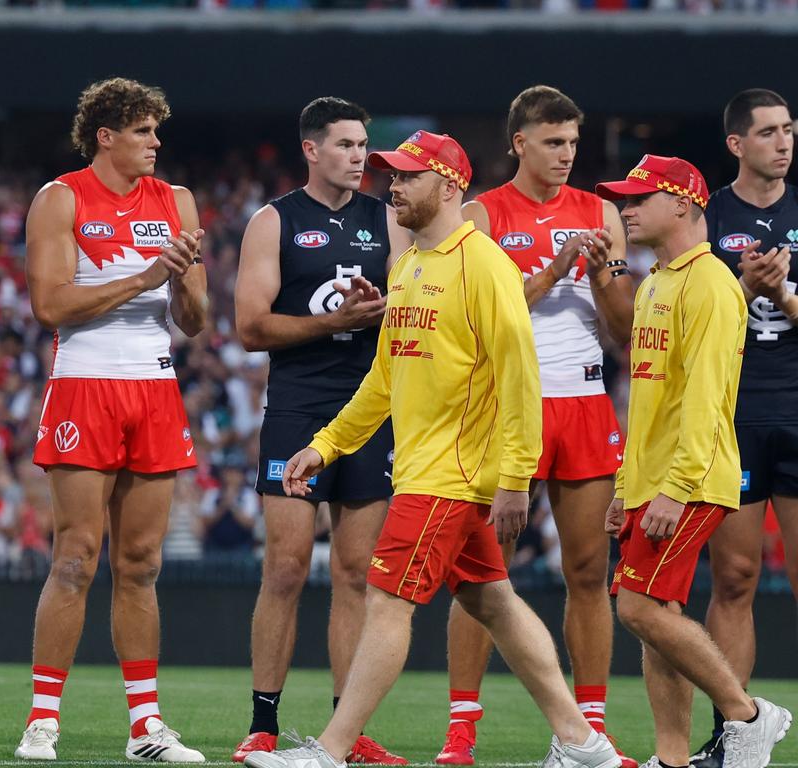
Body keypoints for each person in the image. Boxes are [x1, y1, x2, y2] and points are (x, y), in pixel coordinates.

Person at [245, 130, 620, 768]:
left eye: (408, 176)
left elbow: (520, 379)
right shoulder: (410, 264)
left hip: (450, 475)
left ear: (449, 186)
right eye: (392, 175)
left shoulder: (485, 265)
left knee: (389, 601)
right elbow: (385, 378)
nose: (392, 185)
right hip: (427, 468)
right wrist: (327, 444)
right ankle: (584, 741)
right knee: (493, 599)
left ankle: (331, 749)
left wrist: (515, 477)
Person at [15, 76, 208, 762]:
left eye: (157, 131)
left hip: (154, 387)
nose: (157, 143)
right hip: (86, 385)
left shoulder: (176, 202)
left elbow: (194, 323)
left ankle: (145, 728)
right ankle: (43, 721)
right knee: (74, 559)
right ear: (106, 135)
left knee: (142, 564)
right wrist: (144, 277)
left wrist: (185, 280)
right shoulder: (61, 198)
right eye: (144, 131)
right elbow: (51, 306)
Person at [444, 85, 635, 768]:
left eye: (573, 144)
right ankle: (461, 731)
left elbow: (624, 334)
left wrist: (607, 279)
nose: (565, 156)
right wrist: (556, 270)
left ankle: (587, 730)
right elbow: (480, 321)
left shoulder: (602, 213)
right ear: (519, 142)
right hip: (508, 407)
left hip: (584, 403)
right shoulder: (481, 215)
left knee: (588, 570)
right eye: (553, 143)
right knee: (481, 574)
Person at [595, 154, 792, 768]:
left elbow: (708, 403)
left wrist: (674, 488)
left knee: (637, 606)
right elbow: (649, 400)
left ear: (682, 202)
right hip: (653, 478)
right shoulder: (655, 280)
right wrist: (627, 485)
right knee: (661, 613)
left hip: (692, 478)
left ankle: (748, 715)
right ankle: (672, 755)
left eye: (638, 197)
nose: (625, 208)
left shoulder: (709, 284)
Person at [233, 96, 410, 765]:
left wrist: (384, 311)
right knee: (283, 569)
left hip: (371, 408)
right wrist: (340, 322)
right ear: (311, 149)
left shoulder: (387, 220)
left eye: (363, 144)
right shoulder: (273, 222)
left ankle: (346, 730)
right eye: (344, 144)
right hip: (298, 409)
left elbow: (412, 306)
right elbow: (251, 327)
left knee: (357, 573)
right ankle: (263, 723)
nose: (359, 156)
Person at [693, 88, 798, 768]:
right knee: (734, 577)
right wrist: (741, 290)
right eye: (768, 132)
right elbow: (684, 320)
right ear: (737, 144)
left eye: (789, 130)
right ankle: (736, 731)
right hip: (731, 414)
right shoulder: (706, 219)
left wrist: (781, 293)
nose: (784, 142)